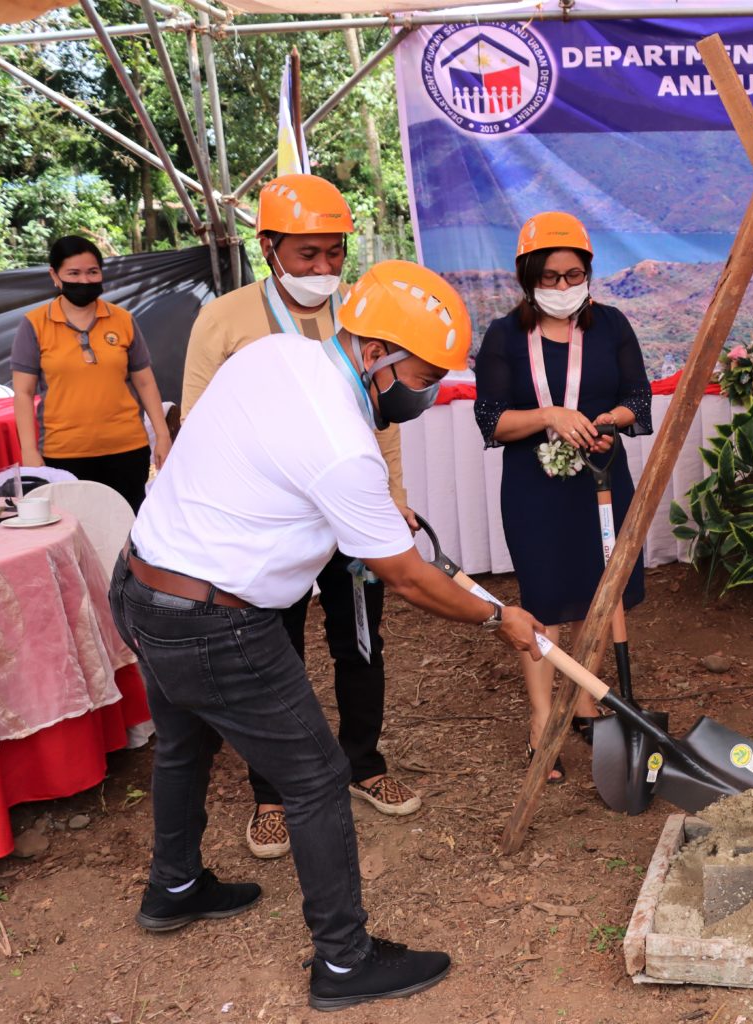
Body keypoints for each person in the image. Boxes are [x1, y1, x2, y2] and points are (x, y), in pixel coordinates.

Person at [109, 260, 544, 1011]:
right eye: (425, 371)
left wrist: (371, 517)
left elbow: (268, 467)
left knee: (184, 742)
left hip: (146, 583)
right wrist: (498, 618)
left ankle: (173, 887)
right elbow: (407, 579)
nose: (429, 390)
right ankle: (344, 961)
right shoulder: (345, 446)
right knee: (314, 778)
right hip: (214, 621)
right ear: (375, 352)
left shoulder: (277, 354)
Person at [183, 174, 420, 860]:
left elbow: (384, 423)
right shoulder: (224, 319)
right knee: (271, 653)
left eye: (333, 253)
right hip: (270, 527)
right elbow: (198, 425)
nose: (322, 270)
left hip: (351, 518)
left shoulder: (362, 314)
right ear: (268, 248)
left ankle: (364, 762)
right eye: (307, 254)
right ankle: (272, 792)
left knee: (360, 643)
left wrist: (393, 497)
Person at [474, 212, 652, 782]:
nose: (561, 287)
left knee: (602, 592)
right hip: (534, 489)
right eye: (549, 277)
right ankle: (541, 717)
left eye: (573, 274)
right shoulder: (504, 335)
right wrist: (549, 414)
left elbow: (639, 401)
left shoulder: (612, 326)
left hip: (600, 478)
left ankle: (583, 699)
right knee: (544, 601)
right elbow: (492, 420)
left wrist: (609, 419)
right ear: (528, 277)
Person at [9, 235, 171, 511]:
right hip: (62, 455)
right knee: (73, 533)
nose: (84, 281)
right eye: (74, 273)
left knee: (126, 529)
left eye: (92, 272)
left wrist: (163, 436)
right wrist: (29, 452)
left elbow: (144, 382)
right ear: (55, 276)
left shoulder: (123, 320)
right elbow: (23, 394)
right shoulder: (35, 325)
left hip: (127, 450)